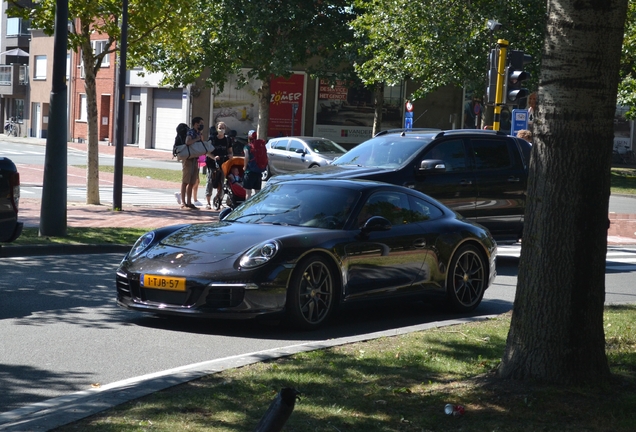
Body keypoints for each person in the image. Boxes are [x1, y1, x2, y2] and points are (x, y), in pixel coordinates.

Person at [205, 121, 233, 210]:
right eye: (220, 128)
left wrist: (230, 156)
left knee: (221, 182)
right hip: (212, 164)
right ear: (217, 129)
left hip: (223, 164)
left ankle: (219, 200)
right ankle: (208, 202)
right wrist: (214, 157)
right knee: (210, 182)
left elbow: (230, 151)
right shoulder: (212, 139)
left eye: (223, 127)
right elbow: (207, 152)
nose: (222, 129)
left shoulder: (228, 140)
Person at [179, 117, 205, 210]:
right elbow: (187, 142)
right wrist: (196, 139)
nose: (201, 125)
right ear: (195, 124)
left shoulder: (198, 133)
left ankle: (189, 202)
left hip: (195, 159)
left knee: (192, 182)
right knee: (185, 181)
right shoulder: (191, 132)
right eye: (200, 123)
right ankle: (183, 202)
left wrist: (200, 137)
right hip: (188, 159)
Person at [243, 130, 264, 199]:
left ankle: (247, 209)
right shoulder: (260, 146)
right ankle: (258, 208)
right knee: (258, 193)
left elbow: (246, 157)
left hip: (250, 172)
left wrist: (245, 166)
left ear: (249, 138)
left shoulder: (247, 147)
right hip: (258, 171)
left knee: (248, 193)